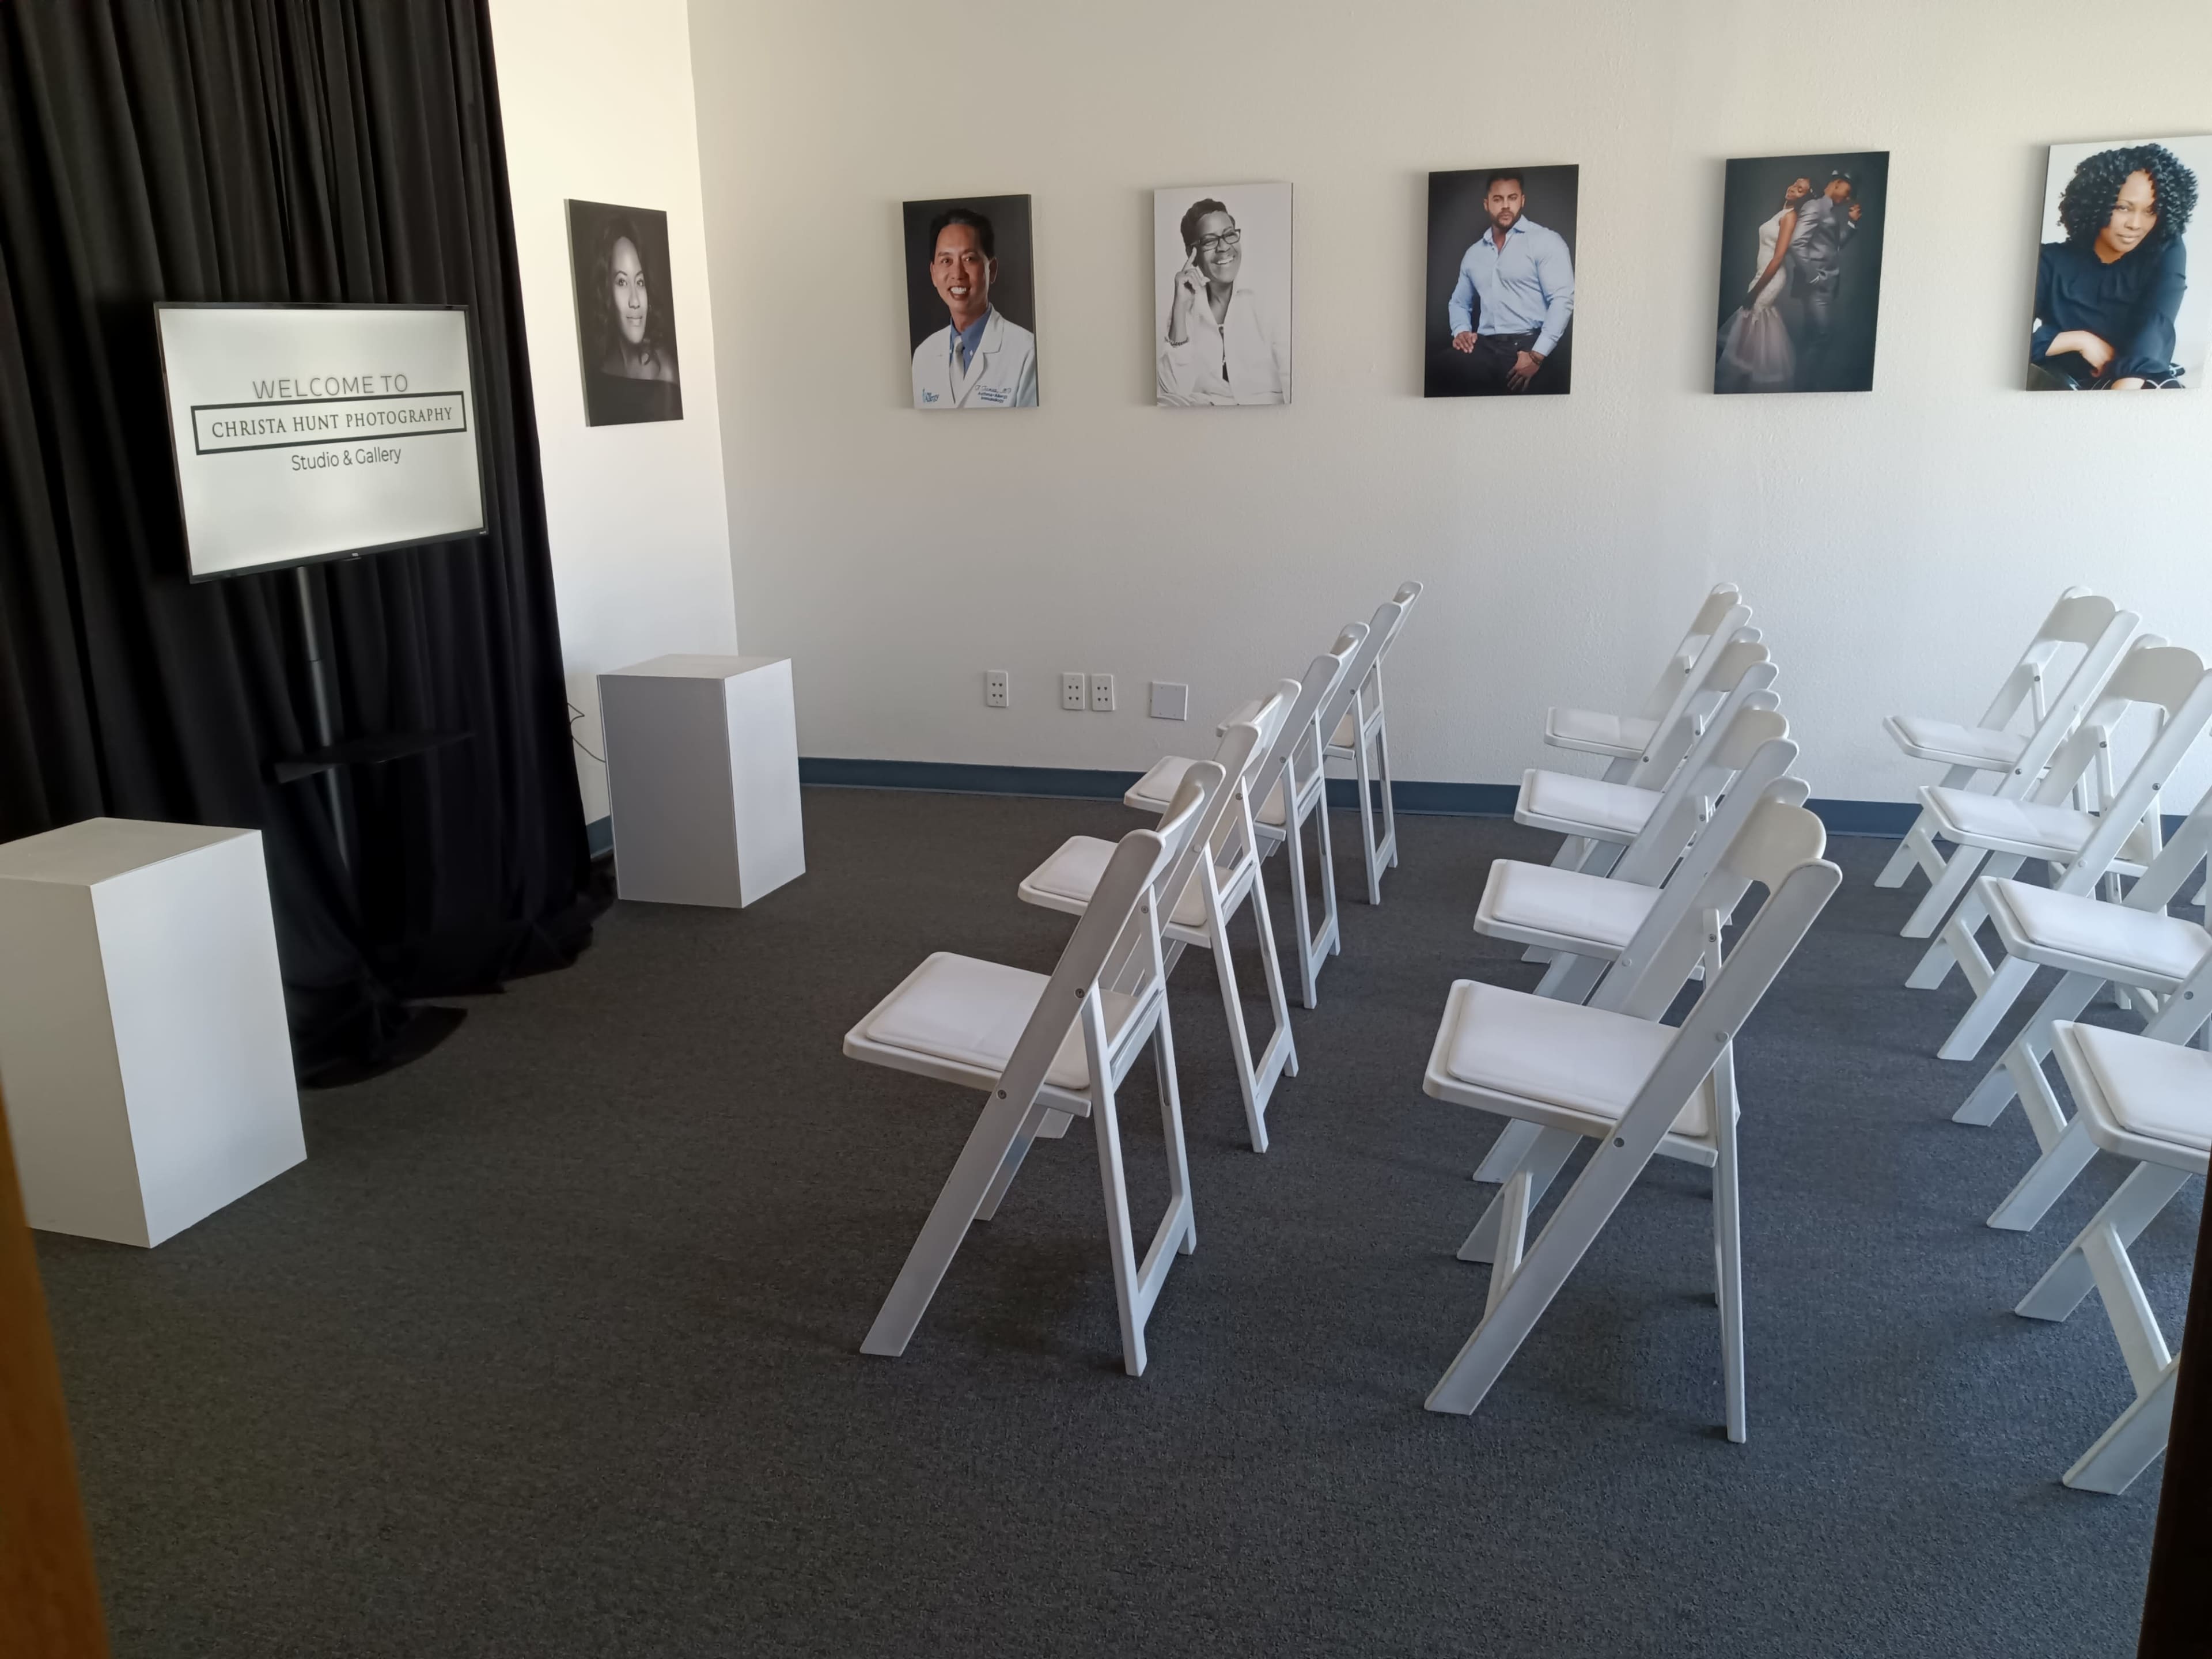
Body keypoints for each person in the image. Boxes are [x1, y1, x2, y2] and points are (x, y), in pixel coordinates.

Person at [2029, 143, 2199, 391]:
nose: (2136, 224)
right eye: (2123, 208)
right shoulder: (2048, 260)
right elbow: (2004, 346)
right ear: (2095, 204)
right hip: (2064, 386)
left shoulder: (2165, 250)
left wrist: (2123, 394)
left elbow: (2157, 324)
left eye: (2151, 211)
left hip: (2137, 380)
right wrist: (2078, 340)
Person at [1446, 172, 1575, 392]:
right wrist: (1461, 330)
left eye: (1512, 198)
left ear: (1522, 200)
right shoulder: (1473, 254)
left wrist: (1537, 356)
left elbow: (1563, 300)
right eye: (1498, 199)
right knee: (1438, 372)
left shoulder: (1546, 241)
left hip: (1528, 345)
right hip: (1484, 347)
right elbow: (1458, 303)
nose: (1506, 206)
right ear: (1487, 204)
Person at [1158, 199, 1290, 405]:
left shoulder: (1270, 298)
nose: (1223, 247)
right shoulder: (1186, 307)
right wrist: (1180, 307)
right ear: (1191, 254)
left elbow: (1293, 380)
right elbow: (1172, 392)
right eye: (1209, 241)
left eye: (1229, 235)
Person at [911, 208, 1037, 410]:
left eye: (969, 259)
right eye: (946, 261)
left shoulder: (1027, 353)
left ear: (992, 269)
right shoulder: (923, 356)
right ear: (933, 273)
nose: (957, 273)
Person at [1717, 176, 1808, 393]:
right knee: (1753, 326)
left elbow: (1778, 258)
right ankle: (1747, 374)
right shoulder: (1781, 213)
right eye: (1795, 184)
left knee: (1752, 317)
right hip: (1762, 274)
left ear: (1804, 199)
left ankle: (1748, 377)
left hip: (1771, 277)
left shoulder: (1790, 217)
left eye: (1801, 190)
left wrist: (1756, 291)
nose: (1794, 189)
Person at [586, 214, 681, 422]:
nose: (635, 301)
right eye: (622, 282)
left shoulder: (665, 372)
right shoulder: (599, 371)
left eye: (639, 282)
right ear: (606, 292)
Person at [1782, 170, 1863, 390]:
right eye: (1848, 193)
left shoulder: (1828, 211)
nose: (1848, 199)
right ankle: (1804, 387)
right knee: (1822, 335)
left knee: (1812, 336)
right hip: (1817, 285)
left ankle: (1801, 385)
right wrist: (1814, 276)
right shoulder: (1815, 207)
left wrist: (1852, 224)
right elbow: (1797, 243)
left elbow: (1832, 248)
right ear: (1838, 183)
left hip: (1827, 285)